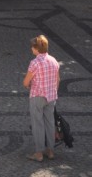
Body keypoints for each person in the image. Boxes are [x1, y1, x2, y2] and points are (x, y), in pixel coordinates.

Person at [23, 34, 60, 162]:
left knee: (37, 123)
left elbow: (26, 82)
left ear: (37, 49)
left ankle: (38, 153)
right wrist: (53, 91)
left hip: (37, 96)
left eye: (32, 47)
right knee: (50, 122)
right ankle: (50, 151)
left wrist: (29, 85)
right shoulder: (54, 60)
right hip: (51, 97)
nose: (31, 49)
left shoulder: (35, 63)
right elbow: (57, 80)